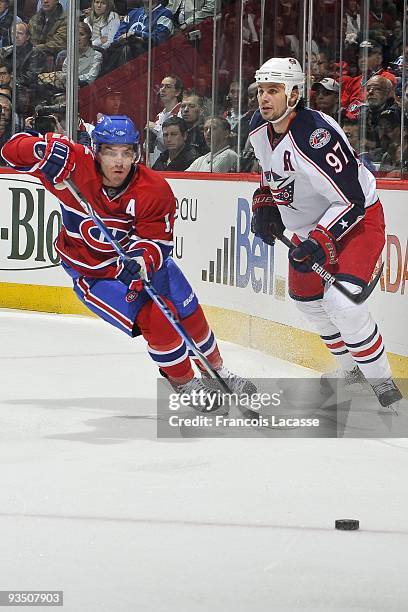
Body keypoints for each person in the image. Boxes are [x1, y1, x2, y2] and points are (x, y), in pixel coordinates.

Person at [2, 115, 253, 404]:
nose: (119, 162)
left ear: (137, 153)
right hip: (94, 274)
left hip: (138, 266)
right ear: (97, 151)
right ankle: (184, 382)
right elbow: (10, 150)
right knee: (159, 316)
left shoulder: (154, 190)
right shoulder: (73, 166)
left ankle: (217, 371)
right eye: (110, 152)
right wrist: (41, 151)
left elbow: (157, 243)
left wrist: (142, 259)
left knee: (188, 310)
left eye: (126, 153)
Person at [249, 56, 402, 412]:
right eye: (261, 90)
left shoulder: (316, 137)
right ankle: (352, 373)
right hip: (311, 230)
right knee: (308, 301)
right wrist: (264, 202)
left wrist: (319, 239)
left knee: (342, 304)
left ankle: (385, 387)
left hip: (356, 223)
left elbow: (352, 200)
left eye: (274, 90)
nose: (264, 98)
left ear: (294, 94)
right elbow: (268, 172)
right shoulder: (260, 126)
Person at [146, 74, 183, 165]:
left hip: (172, 166)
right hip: (155, 165)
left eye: (168, 87)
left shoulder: (181, 114)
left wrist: (156, 129)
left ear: (177, 92)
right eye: (162, 86)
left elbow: (176, 144)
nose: (162, 89)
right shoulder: (159, 116)